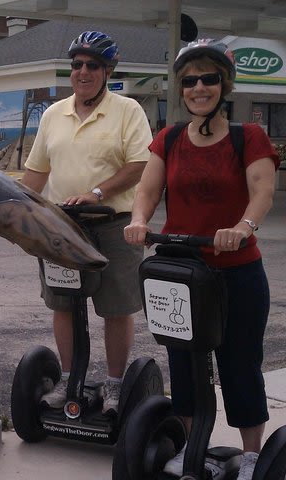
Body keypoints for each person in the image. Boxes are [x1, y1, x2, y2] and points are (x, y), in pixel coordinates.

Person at [124, 39, 280, 480]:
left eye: (208, 78)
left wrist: (242, 228)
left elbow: (262, 191)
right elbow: (147, 191)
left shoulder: (247, 136)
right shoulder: (169, 138)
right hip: (182, 270)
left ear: (223, 84)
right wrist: (138, 220)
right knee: (184, 361)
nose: (199, 87)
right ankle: (192, 448)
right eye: (190, 80)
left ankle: (250, 456)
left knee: (239, 363)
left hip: (237, 271)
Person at [20, 31, 152, 415]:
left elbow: (139, 165)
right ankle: (67, 379)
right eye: (77, 64)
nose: (82, 71)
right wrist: (14, 213)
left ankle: (113, 384)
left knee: (115, 307)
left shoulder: (127, 110)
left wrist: (97, 192)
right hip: (62, 225)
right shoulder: (52, 114)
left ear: (107, 71)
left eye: (92, 65)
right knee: (63, 304)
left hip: (113, 224)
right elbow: (35, 174)